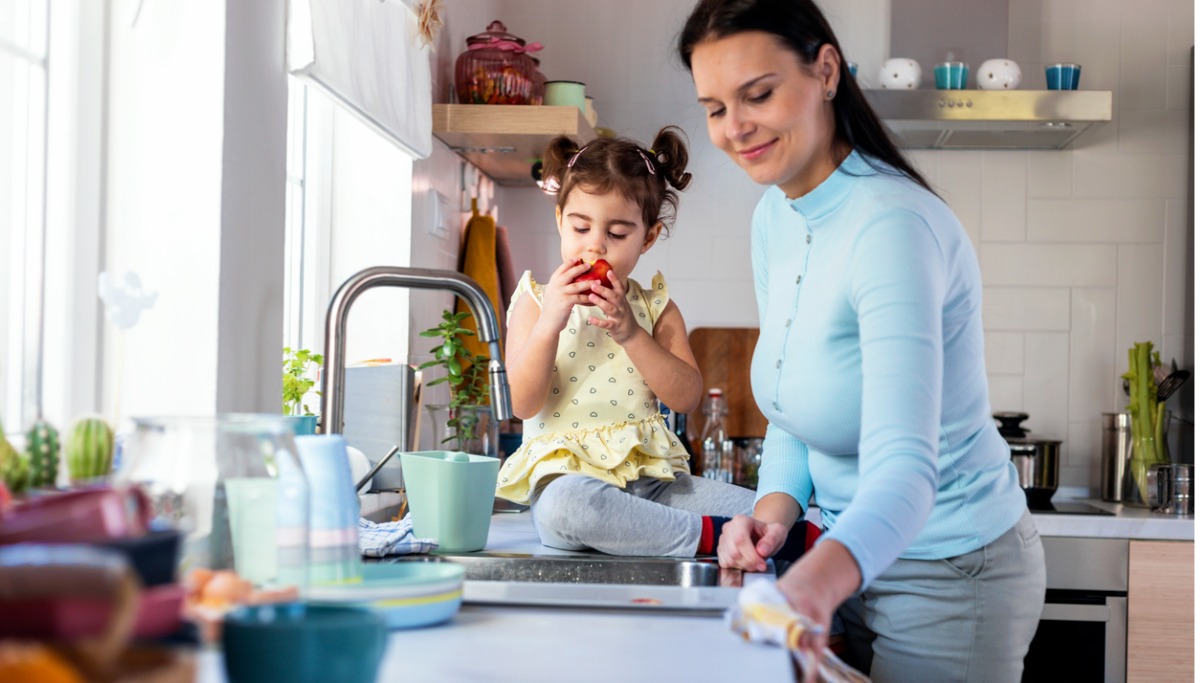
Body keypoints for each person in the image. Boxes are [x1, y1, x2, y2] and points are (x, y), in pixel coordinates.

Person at [676, 1, 1046, 680]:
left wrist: (815, 582)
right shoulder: (776, 216)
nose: (735, 128)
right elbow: (795, 408)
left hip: (950, 571)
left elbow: (907, 470)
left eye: (758, 94)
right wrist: (773, 514)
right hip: (850, 556)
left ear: (825, 70)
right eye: (715, 106)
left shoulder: (893, 227)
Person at [496, 126, 798, 559]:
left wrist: (631, 333)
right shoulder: (534, 301)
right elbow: (523, 404)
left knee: (772, 514)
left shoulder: (654, 307)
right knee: (568, 507)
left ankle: (736, 534)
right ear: (560, 220)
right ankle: (711, 538)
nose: (595, 246)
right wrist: (551, 322)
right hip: (568, 485)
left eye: (617, 235)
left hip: (654, 487)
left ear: (648, 238)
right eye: (581, 227)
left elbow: (686, 397)